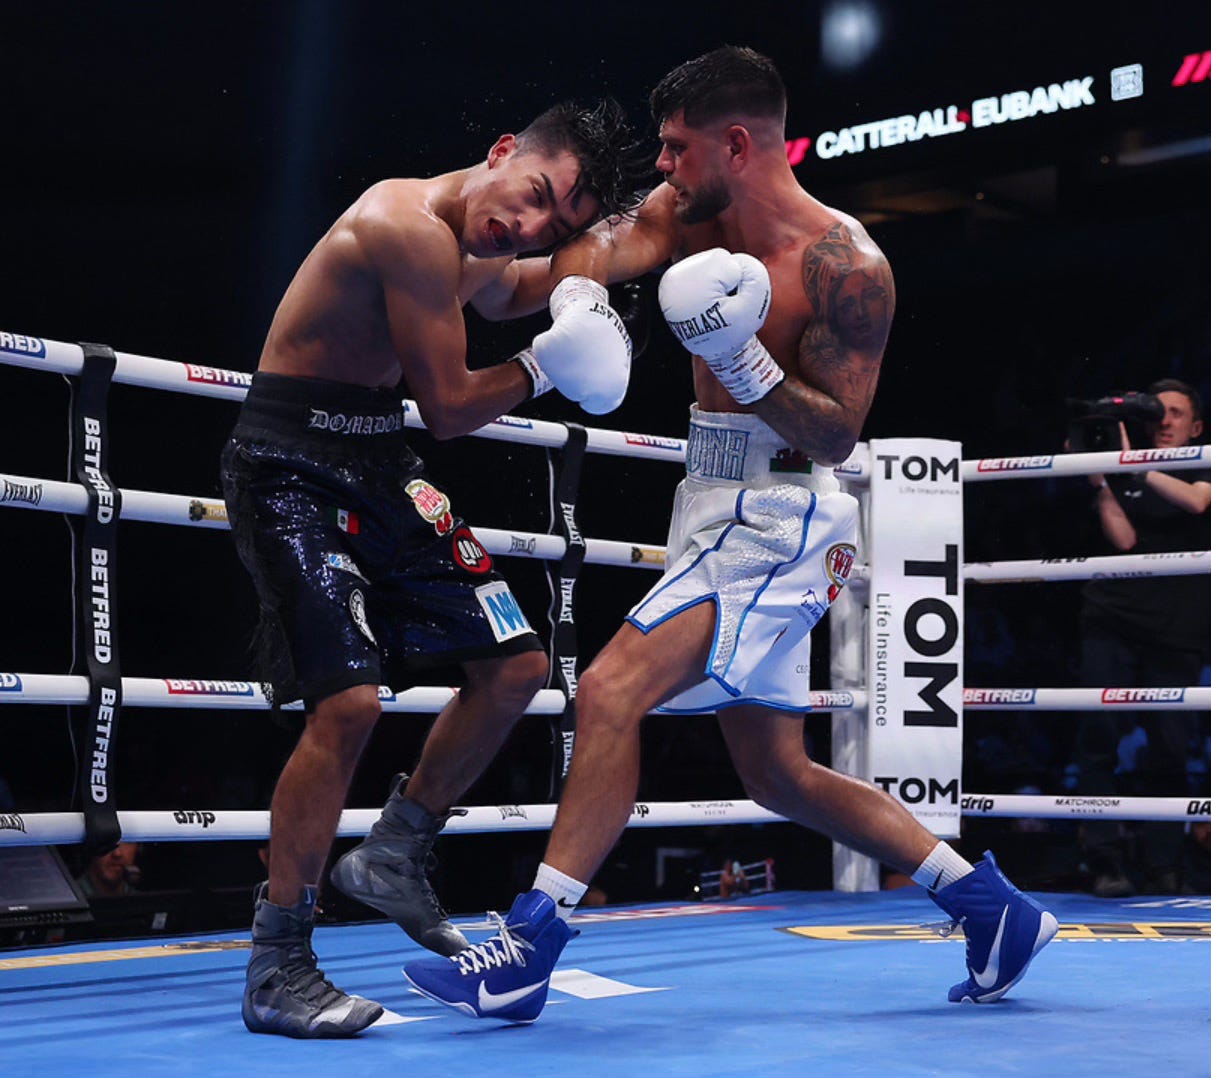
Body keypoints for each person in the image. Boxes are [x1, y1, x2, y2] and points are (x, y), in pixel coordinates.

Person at [404, 46, 1058, 1023]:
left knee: (609, 688)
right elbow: (592, 254)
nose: (661, 167)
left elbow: (839, 428)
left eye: (675, 148)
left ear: (736, 143)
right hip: (708, 503)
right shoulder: (684, 214)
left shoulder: (846, 267)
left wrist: (739, 357)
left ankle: (528, 947)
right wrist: (571, 299)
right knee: (774, 770)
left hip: (784, 510)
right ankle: (987, 906)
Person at [220, 99, 648, 1038]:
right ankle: (276, 959)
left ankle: (395, 851)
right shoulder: (401, 226)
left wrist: (640, 236)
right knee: (349, 704)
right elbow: (451, 406)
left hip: (380, 464)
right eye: (534, 194)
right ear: (501, 151)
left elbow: (514, 286)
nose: (528, 226)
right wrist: (544, 366)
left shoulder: (486, 239)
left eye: (554, 220)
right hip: (290, 462)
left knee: (515, 665)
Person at [1075, 379, 1211, 896]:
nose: (1167, 420)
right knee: (1098, 740)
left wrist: (1134, 466)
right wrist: (1102, 482)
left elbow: (1198, 503)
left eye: (1177, 413)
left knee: (1169, 749)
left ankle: (1164, 864)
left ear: (1196, 426)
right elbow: (1126, 540)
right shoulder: (1126, 467)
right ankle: (1105, 861)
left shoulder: (1200, 462)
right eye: (1159, 412)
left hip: (1177, 630)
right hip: (1113, 617)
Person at [75, 842, 141, 899]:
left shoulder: (142, 904)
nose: (117, 853)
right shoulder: (69, 899)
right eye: (107, 841)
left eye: (127, 842)